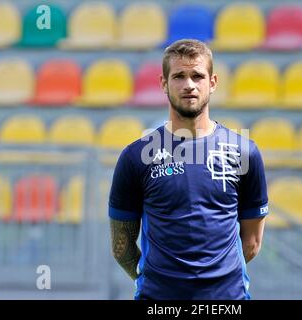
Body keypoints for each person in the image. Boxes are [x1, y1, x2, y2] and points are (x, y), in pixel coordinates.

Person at [109, 39, 269, 300]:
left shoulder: (244, 152)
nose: (189, 85)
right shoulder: (135, 157)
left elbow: (251, 243)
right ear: (163, 83)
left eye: (197, 75)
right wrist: (158, 281)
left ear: (213, 82)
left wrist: (211, 282)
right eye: (179, 76)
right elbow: (122, 247)